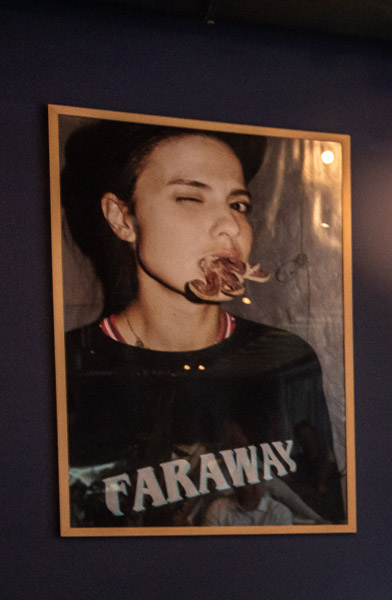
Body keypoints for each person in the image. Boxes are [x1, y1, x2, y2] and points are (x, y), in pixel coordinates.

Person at [59, 119, 343, 528]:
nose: (230, 225)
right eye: (190, 198)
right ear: (122, 219)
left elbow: (320, 513)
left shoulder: (285, 355)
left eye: (238, 204)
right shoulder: (71, 363)